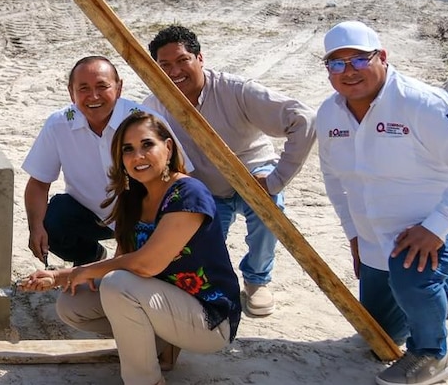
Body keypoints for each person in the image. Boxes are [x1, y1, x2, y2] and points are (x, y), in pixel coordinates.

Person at [316, 21, 448, 385]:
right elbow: (335, 179)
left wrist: (436, 227)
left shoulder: (421, 102)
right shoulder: (329, 114)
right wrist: (355, 235)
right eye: (336, 64)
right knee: (380, 334)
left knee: (411, 272)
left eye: (358, 60)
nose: (348, 72)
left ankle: (433, 355)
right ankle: (443, 288)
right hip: (378, 236)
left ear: (382, 57)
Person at [22, 112, 241, 385]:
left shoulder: (187, 193)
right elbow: (122, 259)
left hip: (209, 318)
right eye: (128, 149)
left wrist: (73, 273)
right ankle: (160, 343)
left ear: (168, 148)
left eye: (147, 145)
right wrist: (62, 278)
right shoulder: (133, 197)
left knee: (118, 285)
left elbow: (146, 265)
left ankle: (145, 380)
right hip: (162, 303)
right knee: (72, 304)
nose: (138, 156)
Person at [142, 25, 316, 317]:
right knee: (201, 248)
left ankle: (256, 281)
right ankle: (218, 287)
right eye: (165, 65)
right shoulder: (153, 107)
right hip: (206, 188)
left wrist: (277, 179)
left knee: (268, 211)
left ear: (200, 59)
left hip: (253, 176)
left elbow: (305, 119)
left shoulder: (236, 90)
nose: (174, 72)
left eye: (183, 60)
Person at [22, 56, 187, 267]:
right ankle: (90, 257)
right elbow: (38, 182)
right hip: (91, 214)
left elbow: (181, 178)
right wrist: (35, 227)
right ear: (70, 92)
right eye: (83, 88)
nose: (93, 96)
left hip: (145, 213)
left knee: (132, 275)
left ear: (119, 88)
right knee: (54, 220)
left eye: (102, 86)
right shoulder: (59, 123)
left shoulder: (145, 122)